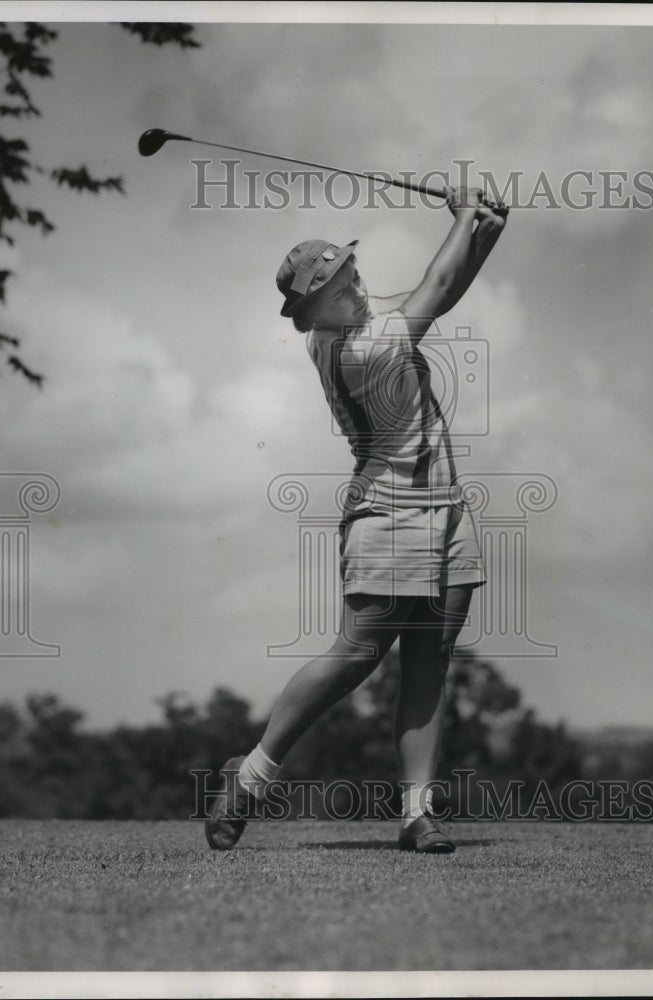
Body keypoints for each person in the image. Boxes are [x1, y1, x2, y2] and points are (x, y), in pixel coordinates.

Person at [205, 185, 508, 853]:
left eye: (354, 272)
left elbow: (441, 290)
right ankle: (249, 776)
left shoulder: (355, 328)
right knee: (357, 653)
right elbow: (432, 287)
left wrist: (486, 231)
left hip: (446, 512)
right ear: (323, 305)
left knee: (430, 661)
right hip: (389, 515)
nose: (360, 283)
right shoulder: (361, 349)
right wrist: (463, 217)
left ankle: (415, 815)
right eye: (346, 281)